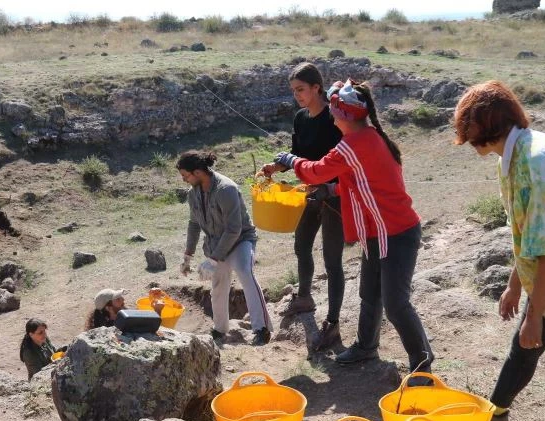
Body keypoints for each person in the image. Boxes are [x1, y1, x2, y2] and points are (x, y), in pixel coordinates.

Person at [272, 79, 432, 372]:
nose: (331, 117)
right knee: (369, 293)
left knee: (396, 304)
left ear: (343, 115)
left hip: (395, 233)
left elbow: (316, 171)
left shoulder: (353, 144)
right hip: (378, 233)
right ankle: (366, 347)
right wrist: (333, 191)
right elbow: (364, 183)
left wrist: (290, 159)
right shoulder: (369, 137)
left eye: (334, 112)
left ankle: (422, 362)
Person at [454, 80, 545, 421]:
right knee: (524, 348)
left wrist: (534, 314)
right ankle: (495, 414)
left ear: (485, 122)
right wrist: (515, 284)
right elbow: (529, 237)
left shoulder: (540, 163)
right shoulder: (511, 158)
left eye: (467, 122)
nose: (462, 131)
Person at [260, 62, 345, 351]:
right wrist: (278, 165)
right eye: (294, 91)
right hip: (307, 193)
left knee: (333, 261)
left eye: (301, 90)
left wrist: (329, 188)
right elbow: (297, 154)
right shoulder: (300, 118)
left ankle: (333, 324)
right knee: (301, 246)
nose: (297, 95)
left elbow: (345, 160)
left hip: (335, 196)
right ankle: (305, 296)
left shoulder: (335, 120)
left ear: (316, 88)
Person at [179, 150, 273, 346]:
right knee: (218, 286)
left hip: (240, 240)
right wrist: (187, 256)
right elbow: (194, 224)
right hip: (215, 245)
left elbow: (234, 229)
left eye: (185, 176)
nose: (184, 180)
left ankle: (261, 328)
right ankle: (219, 330)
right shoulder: (193, 194)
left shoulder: (226, 189)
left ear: (197, 172)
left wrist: (214, 259)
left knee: (244, 272)